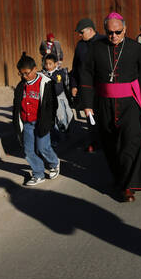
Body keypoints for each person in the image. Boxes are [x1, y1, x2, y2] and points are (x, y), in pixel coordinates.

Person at [80, 12, 141, 202]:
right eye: (109, 32)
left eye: (117, 32)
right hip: (103, 104)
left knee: (130, 144)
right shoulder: (96, 48)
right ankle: (120, 179)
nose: (114, 36)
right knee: (110, 146)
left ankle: (127, 186)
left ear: (125, 29)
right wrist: (87, 105)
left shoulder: (135, 48)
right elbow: (86, 75)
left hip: (130, 104)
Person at [12, 53, 60, 186]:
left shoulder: (46, 83)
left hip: (41, 123)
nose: (24, 77)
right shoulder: (21, 86)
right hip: (27, 123)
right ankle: (38, 173)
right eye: (21, 74)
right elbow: (16, 106)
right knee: (28, 151)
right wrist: (16, 123)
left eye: (27, 73)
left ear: (34, 69)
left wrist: (48, 122)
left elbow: (52, 105)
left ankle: (54, 163)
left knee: (43, 147)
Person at [69, 18, 106, 152]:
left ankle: (107, 141)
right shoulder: (80, 46)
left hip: (103, 86)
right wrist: (74, 85)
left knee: (104, 115)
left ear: (90, 30)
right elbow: (75, 67)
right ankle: (94, 142)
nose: (79, 35)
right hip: (86, 87)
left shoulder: (103, 41)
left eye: (81, 32)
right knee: (90, 115)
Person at [41, 53, 74, 134]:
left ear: (55, 64)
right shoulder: (43, 73)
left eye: (50, 64)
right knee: (52, 117)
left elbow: (57, 79)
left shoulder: (59, 73)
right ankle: (56, 132)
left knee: (62, 114)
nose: (48, 66)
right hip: (50, 98)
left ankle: (65, 129)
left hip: (60, 97)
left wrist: (47, 76)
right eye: (46, 64)